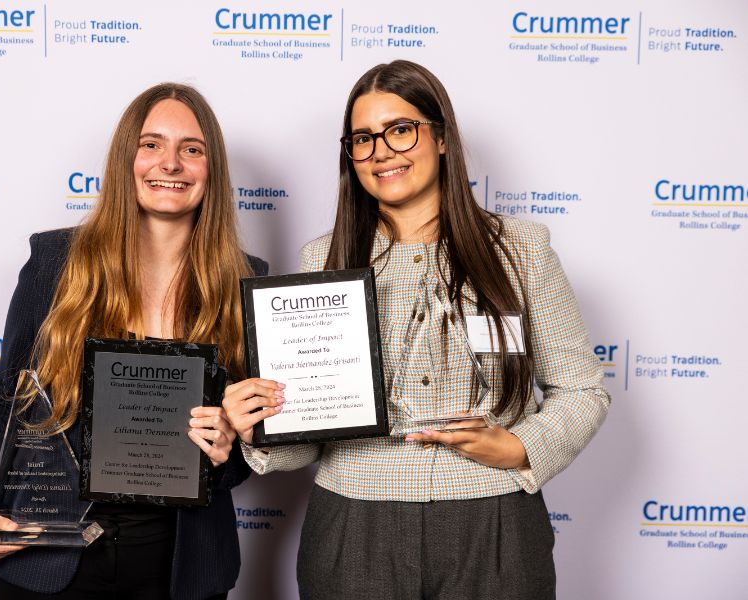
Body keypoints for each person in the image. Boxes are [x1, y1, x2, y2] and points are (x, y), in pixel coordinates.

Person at [223, 60, 610, 599]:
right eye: (363, 138)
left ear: (443, 137)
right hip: (353, 526)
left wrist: (523, 447)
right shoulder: (324, 260)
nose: (382, 150)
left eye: (400, 129)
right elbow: (307, 438)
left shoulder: (520, 251)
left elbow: (582, 390)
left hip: (495, 523)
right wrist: (258, 426)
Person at [0, 83, 267, 599]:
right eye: (151, 145)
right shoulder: (55, 263)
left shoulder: (245, 282)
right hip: (49, 555)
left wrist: (227, 450)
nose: (170, 163)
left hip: (180, 565)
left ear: (211, 170)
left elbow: (238, 459)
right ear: (126, 160)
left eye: (191, 149)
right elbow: (5, 400)